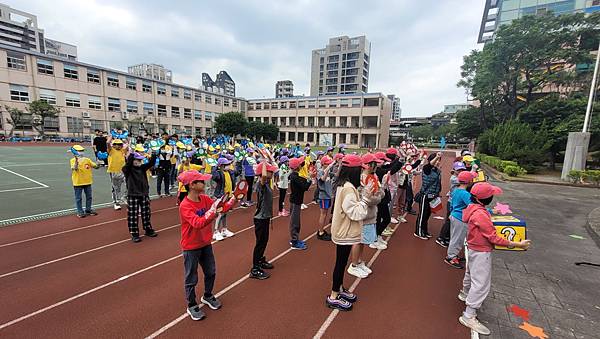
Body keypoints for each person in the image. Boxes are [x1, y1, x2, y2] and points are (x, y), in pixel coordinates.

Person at [458, 182, 531, 335]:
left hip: (472, 248)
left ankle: (464, 293)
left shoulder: (473, 208)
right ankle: (468, 315)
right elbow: (493, 237)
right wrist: (517, 244)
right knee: (481, 283)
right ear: (483, 199)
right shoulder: (480, 214)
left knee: (470, 274)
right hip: (480, 251)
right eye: (490, 195)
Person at [177, 170, 236, 321]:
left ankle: (207, 295)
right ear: (192, 185)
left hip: (205, 243)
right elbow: (198, 223)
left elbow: (220, 208)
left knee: (211, 272)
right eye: (201, 181)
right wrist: (213, 212)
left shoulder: (204, 198)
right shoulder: (185, 206)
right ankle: (191, 304)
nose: (205, 183)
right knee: (191, 277)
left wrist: (233, 200)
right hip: (191, 247)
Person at [326, 154, 371, 311]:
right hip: (344, 232)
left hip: (342, 230)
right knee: (340, 263)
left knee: (341, 262)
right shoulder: (348, 189)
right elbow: (355, 213)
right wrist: (365, 199)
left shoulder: (342, 185)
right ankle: (333, 295)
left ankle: (338, 288)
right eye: (360, 170)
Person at [347, 153, 384, 279]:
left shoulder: (373, 176)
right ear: (368, 165)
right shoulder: (362, 179)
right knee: (358, 240)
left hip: (370, 213)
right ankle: (353, 265)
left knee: (363, 241)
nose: (376, 166)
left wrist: (379, 194)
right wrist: (377, 197)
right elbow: (368, 198)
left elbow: (381, 193)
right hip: (364, 214)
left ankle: (359, 261)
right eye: (374, 163)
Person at [249, 161, 278, 280]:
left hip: (265, 218)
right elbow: (264, 176)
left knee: (264, 241)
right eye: (270, 171)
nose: (272, 172)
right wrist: (264, 162)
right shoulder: (260, 184)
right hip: (260, 219)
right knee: (260, 243)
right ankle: (255, 268)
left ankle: (260, 260)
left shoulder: (266, 184)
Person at [123, 151, 158, 243]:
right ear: (132, 161)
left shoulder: (142, 168)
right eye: (137, 160)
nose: (139, 162)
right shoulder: (127, 169)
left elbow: (151, 163)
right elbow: (128, 164)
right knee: (133, 215)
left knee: (146, 213)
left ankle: (148, 229)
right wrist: (131, 154)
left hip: (144, 194)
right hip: (133, 195)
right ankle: (134, 233)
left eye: (140, 160)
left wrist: (153, 154)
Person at [445, 171, 477, 268]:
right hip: (460, 218)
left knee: (455, 237)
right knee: (458, 238)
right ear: (469, 181)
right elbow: (473, 206)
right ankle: (451, 257)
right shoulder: (465, 194)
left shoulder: (456, 190)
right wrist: (488, 210)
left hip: (455, 215)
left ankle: (453, 255)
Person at [436, 161, 466, 247]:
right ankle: (441, 238)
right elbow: (464, 180)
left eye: (462, 170)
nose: (460, 171)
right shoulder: (454, 178)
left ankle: (447, 237)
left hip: (456, 202)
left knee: (452, 221)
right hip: (452, 202)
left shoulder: (457, 177)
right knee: (449, 220)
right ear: (454, 170)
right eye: (458, 170)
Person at [414, 153, 442, 240]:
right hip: (425, 195)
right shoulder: (426, 169)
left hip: (433, 195)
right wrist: (437, 156)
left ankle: (424, 230)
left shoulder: (437, 170)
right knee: (422, 214)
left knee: (427, 214)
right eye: (436, 160)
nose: (438, 162)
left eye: (439, 161)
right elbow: (429, 165)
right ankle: (418, 232)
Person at [288, 156, 311, 250]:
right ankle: (294, 242)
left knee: (295, 221)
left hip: (295, 200)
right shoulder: (295, 177)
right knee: (295, 222)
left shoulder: (295, 176)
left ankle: (295, 239)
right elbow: (305, 186)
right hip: (296, 201)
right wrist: (310, 179)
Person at [70, 145, 99, 218]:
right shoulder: (72, 160)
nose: (81, 152)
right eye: (80, 151)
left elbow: (96, 167)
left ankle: (88, 210)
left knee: (89, 197)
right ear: (75, 152)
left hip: (88, 182)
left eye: (82, 151)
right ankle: (80, 212)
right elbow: (75, 168)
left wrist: (99, 162)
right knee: (78, 198)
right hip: (78, 182)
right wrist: (76, 161)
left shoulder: (87, 160)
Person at [212, 157, 235, 241]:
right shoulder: (219, 173)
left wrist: (237, 162)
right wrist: (215, 167)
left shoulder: (229, 172)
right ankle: (216, 232)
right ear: (221, 166)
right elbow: (215, 177)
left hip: (228, 196)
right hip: (221, 196)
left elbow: (237, 172)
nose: (229, 165)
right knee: (219, 214)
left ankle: (224, 229)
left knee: (225, 213)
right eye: (227, 164)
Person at [106, 138, 129, 210]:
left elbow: (127, 146)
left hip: (123, 171)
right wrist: (109, 139)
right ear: (113, 145)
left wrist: (126, 141)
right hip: (114, 171)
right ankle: (116, 202)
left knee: (129, 185)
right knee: (116, 188)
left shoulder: (122, 150)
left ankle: (124, 197)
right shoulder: (111, 150)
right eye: (116, 144)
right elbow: (107, 144)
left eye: (120, 144)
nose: (118, 146)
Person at [316, 155, 334, 241]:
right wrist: (327, 169)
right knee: (323, 214)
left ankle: (321, 230)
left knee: (325, 214)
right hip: (323, 196)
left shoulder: (328, 171)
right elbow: (322, 179)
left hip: (328, 195)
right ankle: (320, 232)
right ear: (324, 164)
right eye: (328, 164)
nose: (329, 165)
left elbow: (336, 175)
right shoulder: (320, 171)